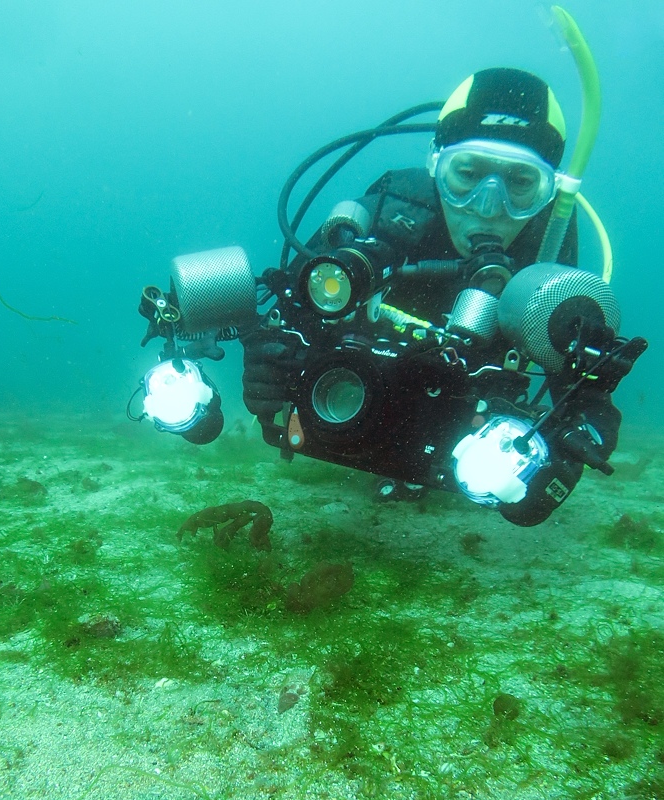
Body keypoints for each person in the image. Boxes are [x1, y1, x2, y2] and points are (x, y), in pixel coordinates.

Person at [240, 68, 641, 525]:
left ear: (549, 191)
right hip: (348, 394)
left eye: (521, 184)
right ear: (436, 165)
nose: (490, 205)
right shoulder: (395, 205)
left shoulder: (547, 246)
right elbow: (295, 306)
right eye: (467, 174)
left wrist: (577, 430)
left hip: (462, 419)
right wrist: (270, 362)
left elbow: (572, 377)